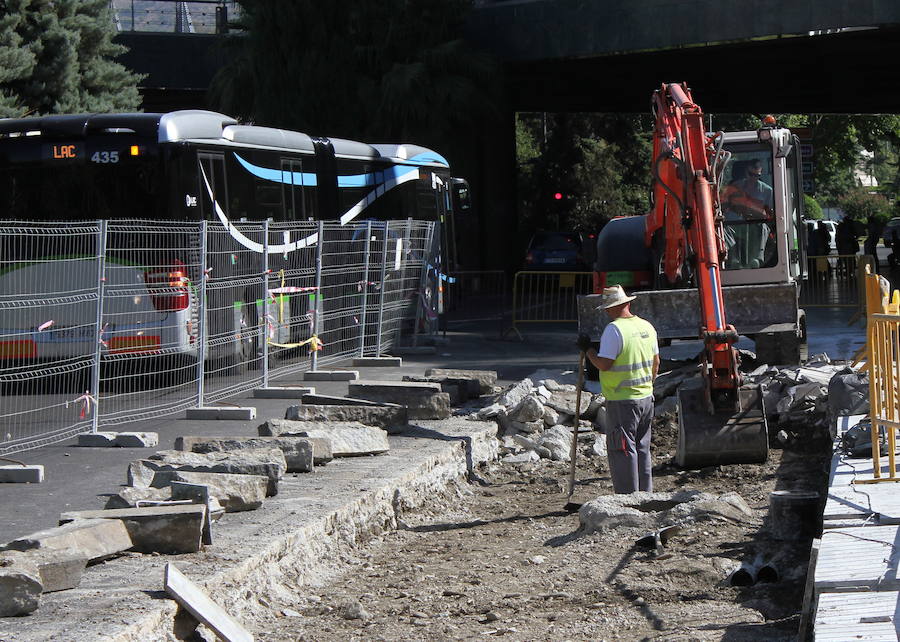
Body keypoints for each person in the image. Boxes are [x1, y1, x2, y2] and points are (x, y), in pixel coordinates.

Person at [577, 285, 659, 494]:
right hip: (646, 398)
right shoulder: (647, 326)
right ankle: (645, 496)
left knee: (622, 449)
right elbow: (656, 362)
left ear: (614, 307)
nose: (606, 311)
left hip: (623, 400)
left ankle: (628, 498)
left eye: (607, 307)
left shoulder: (614, 330)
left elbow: (605, 364)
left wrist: (588, 350)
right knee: (642, 448)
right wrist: (648, 385)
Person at [722, 159, 774, 268]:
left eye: (757, 175)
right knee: (723, 228)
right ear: (746, 172)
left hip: (755, 226)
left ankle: (757, 259)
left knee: (764, 227)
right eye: (751, 174)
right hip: (735, 225)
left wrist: (753, 212)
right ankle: (734, 259)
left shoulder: (767, 191)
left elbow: (770, 215)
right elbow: (724, 205)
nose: (753, 178)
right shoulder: (735, 187)